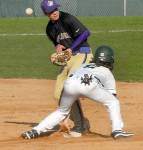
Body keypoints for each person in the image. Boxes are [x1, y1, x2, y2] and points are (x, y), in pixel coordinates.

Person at [21, 45, 134, 140]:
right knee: (113, 102)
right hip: (88, 86)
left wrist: (78, 93)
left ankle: (34, 131)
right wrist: (89, 93)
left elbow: (74, 78)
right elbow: (113, 96)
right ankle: (117, 130)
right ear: (110, 60)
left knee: (62, 111)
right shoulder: (107, 72)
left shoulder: (84, 65)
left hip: (69, 84)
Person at [40, 0, 93, 136]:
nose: (54, 13)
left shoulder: (67, 18)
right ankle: (81, 122)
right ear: (46, 13)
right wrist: (58, 48)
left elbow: (85, 33)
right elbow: (57, 44)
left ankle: (80, 126)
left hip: (82, 53)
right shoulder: (49, 29)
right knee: (59, 93)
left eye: (55, 9)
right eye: (50, 12)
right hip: (69, 60)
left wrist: (71, 48)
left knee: (71, 86)